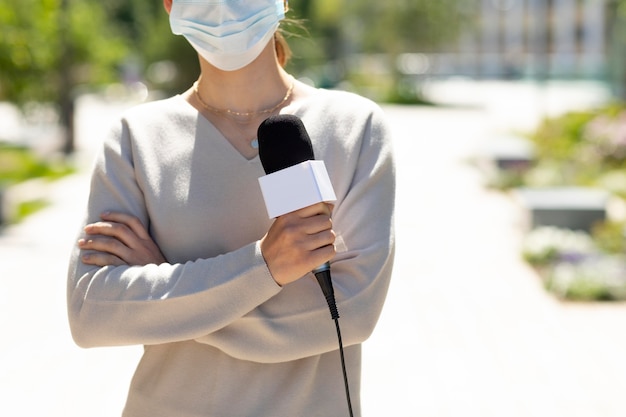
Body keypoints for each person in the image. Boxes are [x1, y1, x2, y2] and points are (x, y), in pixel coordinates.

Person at [66, 1, 395, 416]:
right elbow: (91, 314)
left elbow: (350, 315)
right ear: (170, 3)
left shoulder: (354, 127)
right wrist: (266, 267)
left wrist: (166, 287)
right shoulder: (134, 138)